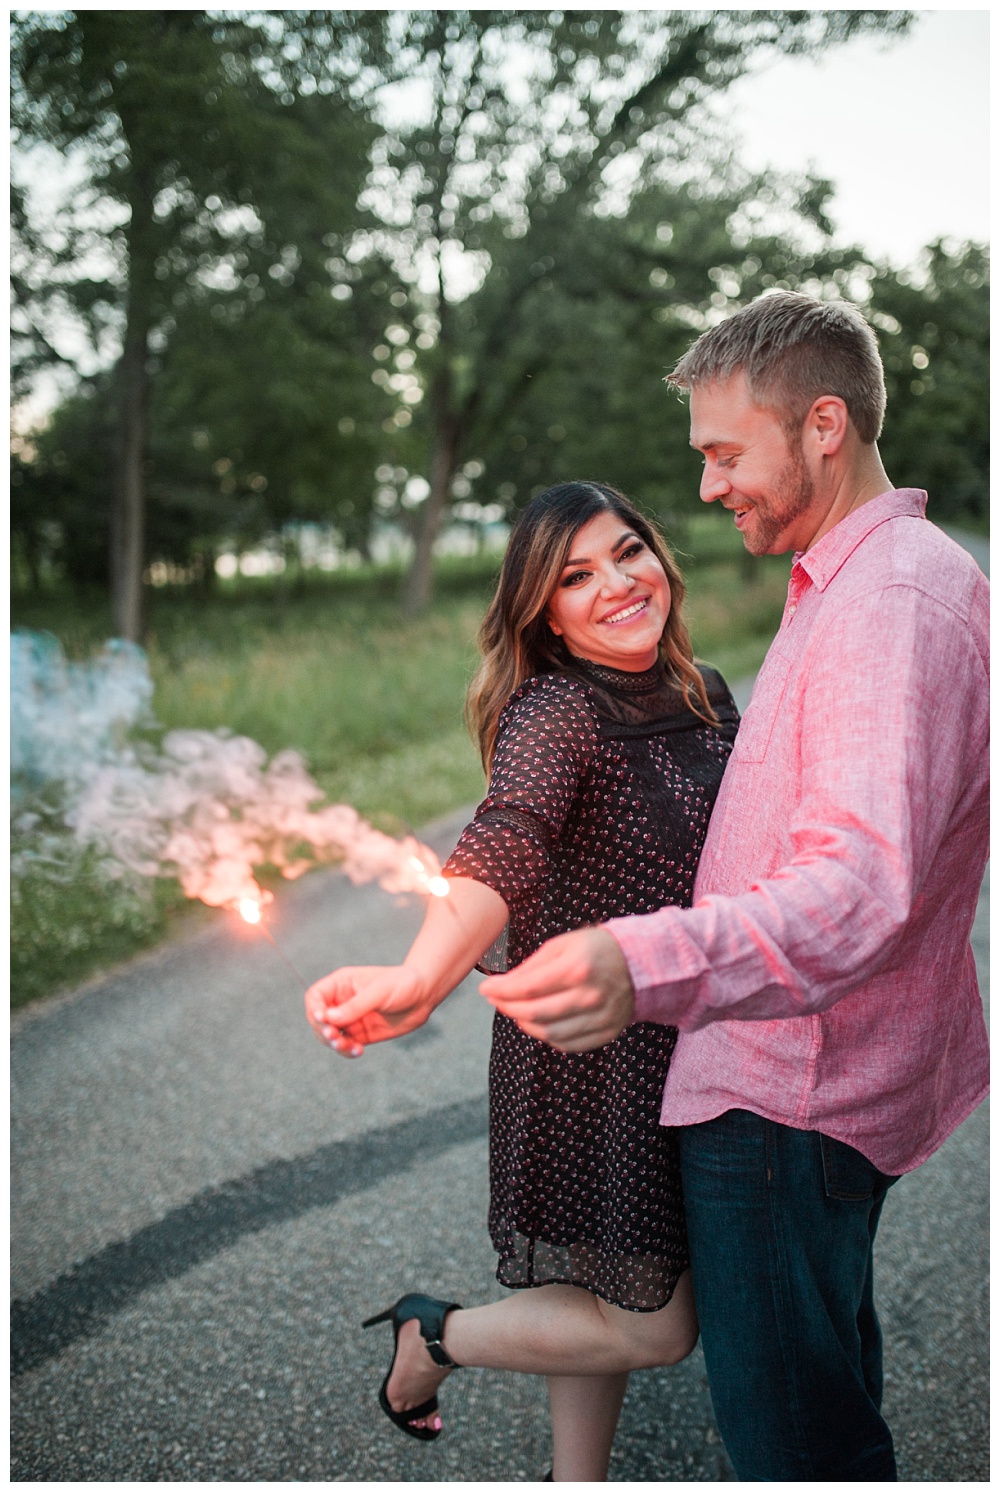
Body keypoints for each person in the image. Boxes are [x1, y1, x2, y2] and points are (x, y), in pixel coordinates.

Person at [481, 293, 990, 1481]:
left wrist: (634, 959)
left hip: (785, 1097)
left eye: (723, 452)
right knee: (825, 1399)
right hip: (801, 1082)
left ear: (822, 424)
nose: (706, 488)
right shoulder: (859, 582)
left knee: (796, 1451)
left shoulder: (887, 603)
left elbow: (858, 885)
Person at [305, 481, 740, 1481]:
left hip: (689, 1030)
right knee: (652, 1325)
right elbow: (508, 834)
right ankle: (435, 1335)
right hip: (594, 1060)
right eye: (576, 576)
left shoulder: (705, 692)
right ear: (544, 611)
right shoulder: (556, 711)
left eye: (628, 552)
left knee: (604, 1292)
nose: (617, 585)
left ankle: (572, 1478)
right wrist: (421, 972)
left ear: (660, 556)